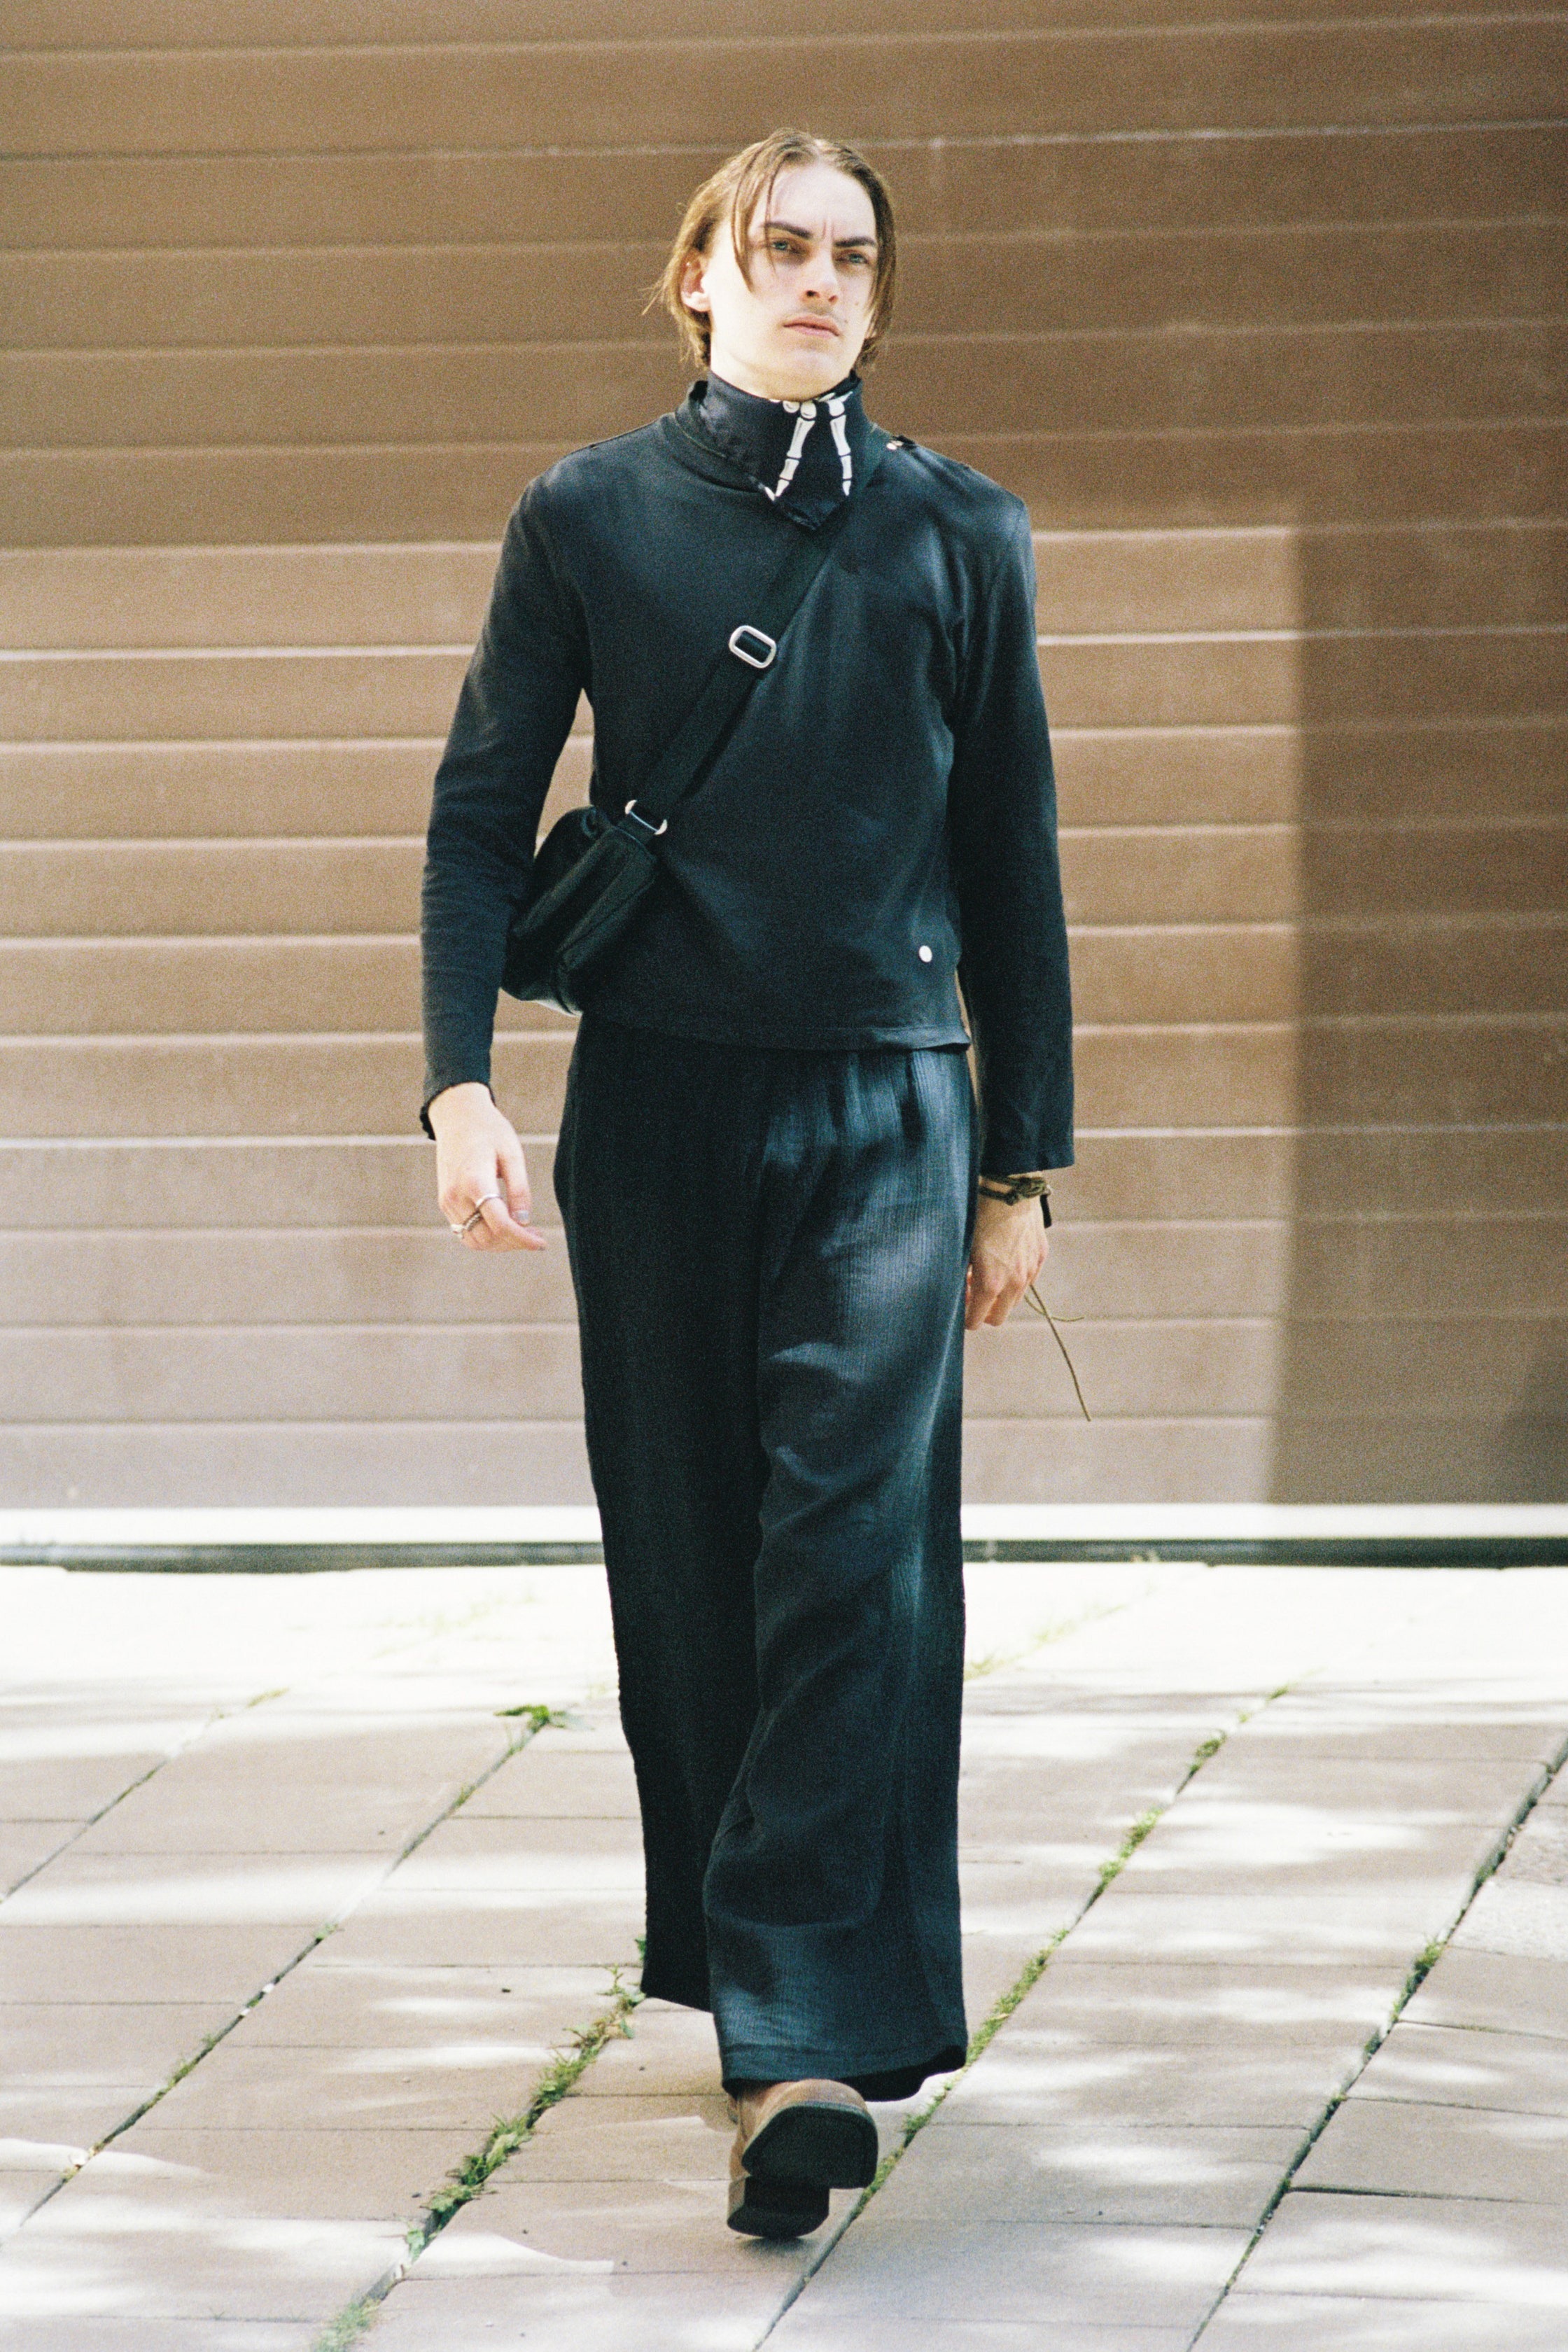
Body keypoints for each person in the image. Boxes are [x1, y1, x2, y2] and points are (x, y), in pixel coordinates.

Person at [420, 127, 1072, 2239]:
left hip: (891, 1115)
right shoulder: (588, 514)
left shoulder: (962, 531)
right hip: (661, 1116)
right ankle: (762, 1984)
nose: (817, 281)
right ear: (699, 273)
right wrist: (456, 1083)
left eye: (851, 257)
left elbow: (1013, 860)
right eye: (778, 247)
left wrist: (1022, 1163)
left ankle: (797, 2038)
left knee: (852, 1560)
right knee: (695, 1554)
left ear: (878, 292)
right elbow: (481, 808)